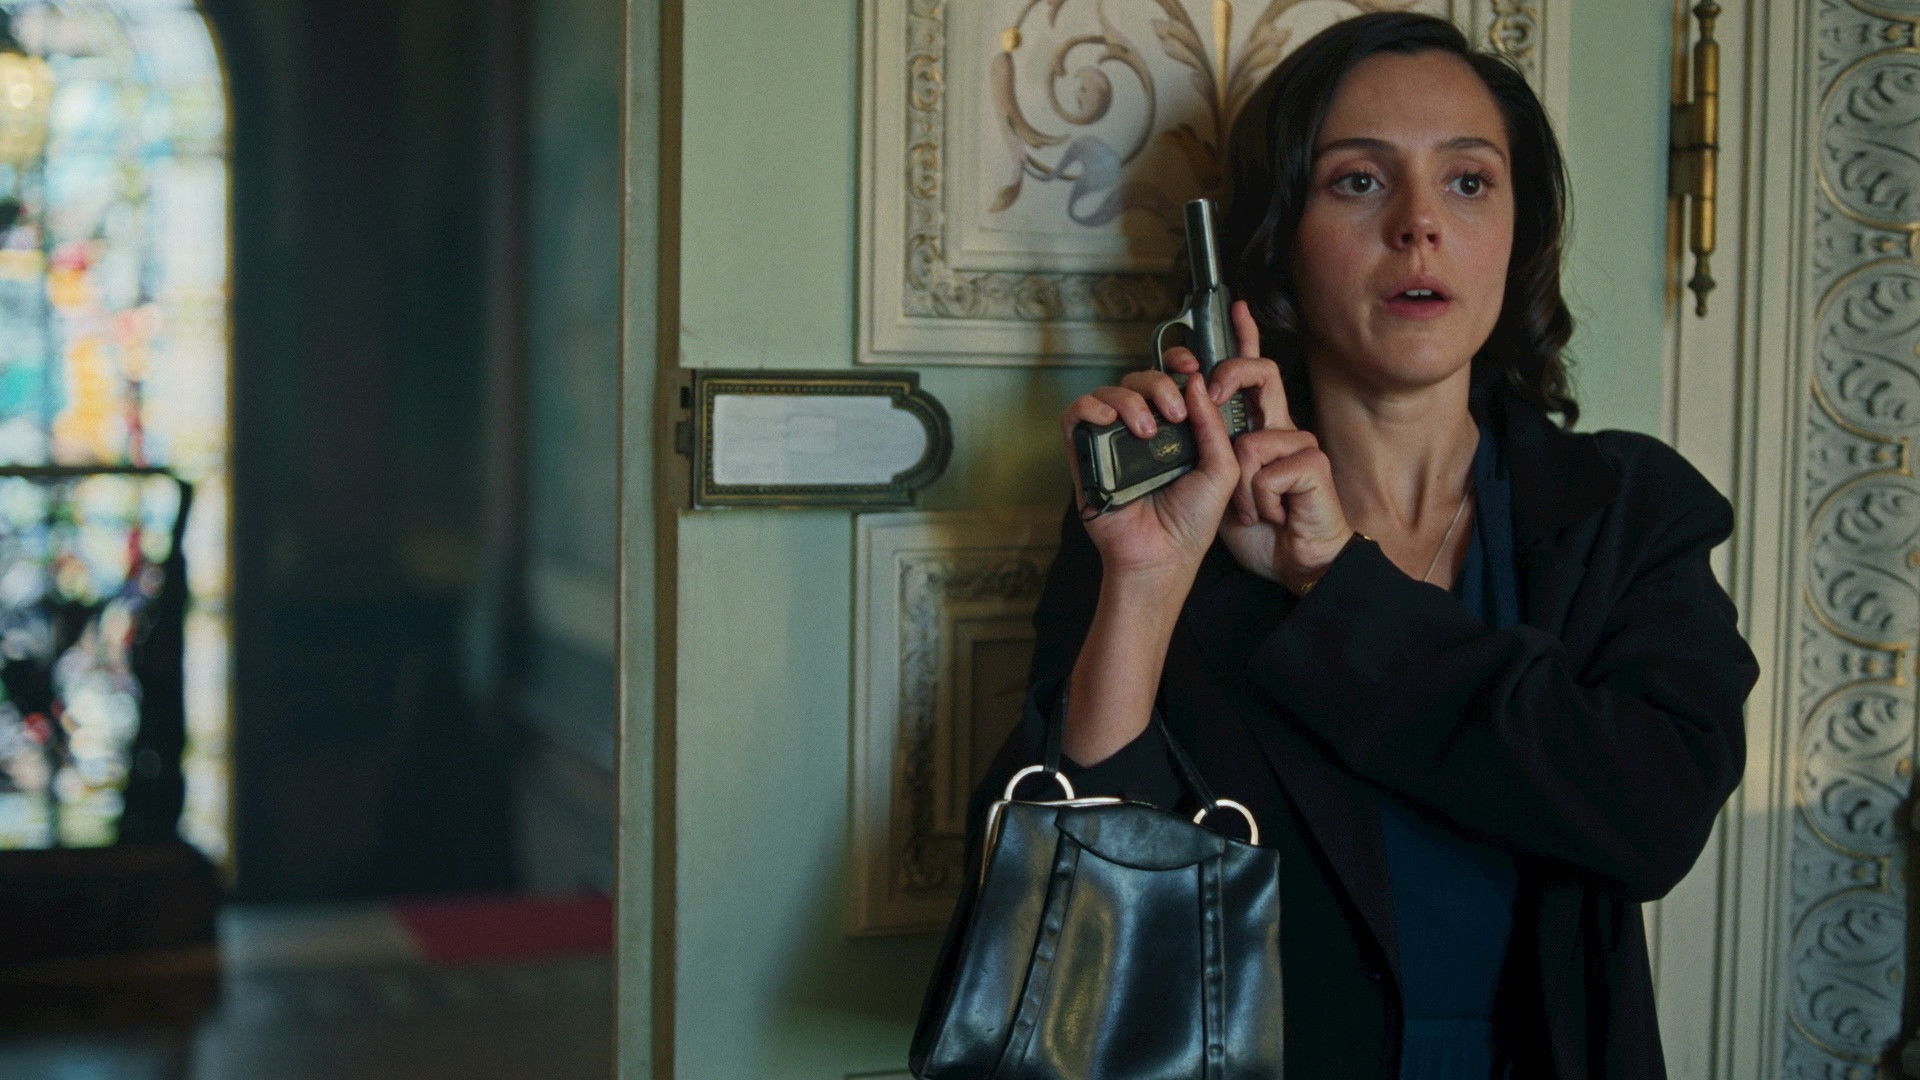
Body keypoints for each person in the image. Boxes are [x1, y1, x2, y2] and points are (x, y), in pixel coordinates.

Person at [974, 12, 1757, 1079]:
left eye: (1469, 182)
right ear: (1280, 236)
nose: (1419, 225)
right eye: (1357, 181)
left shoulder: (1627, 509)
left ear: (1519, 231)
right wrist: (1146, 586)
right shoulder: (1166, 515)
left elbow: (1652, 818)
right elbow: (1060, 918)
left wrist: (1335, 584)